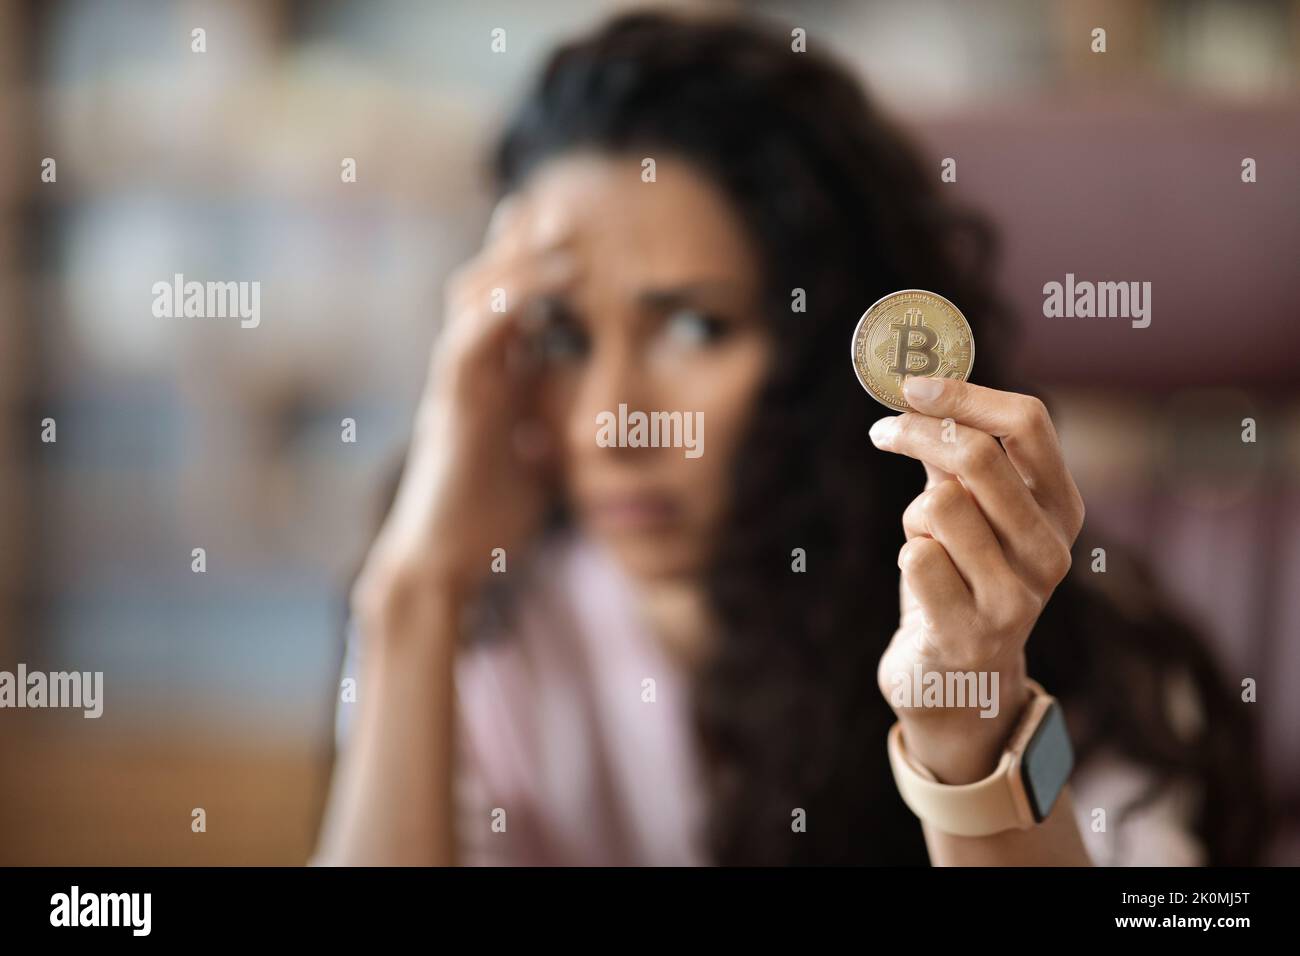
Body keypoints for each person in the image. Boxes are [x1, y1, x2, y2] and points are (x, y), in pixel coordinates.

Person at [313, 10, 1267, 866]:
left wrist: (969, 728)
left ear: (829, 350)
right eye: (562, 336)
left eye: (694, 327)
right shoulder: (497, 628)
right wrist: (412, 587)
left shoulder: (1038, 630)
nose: (613, 423)